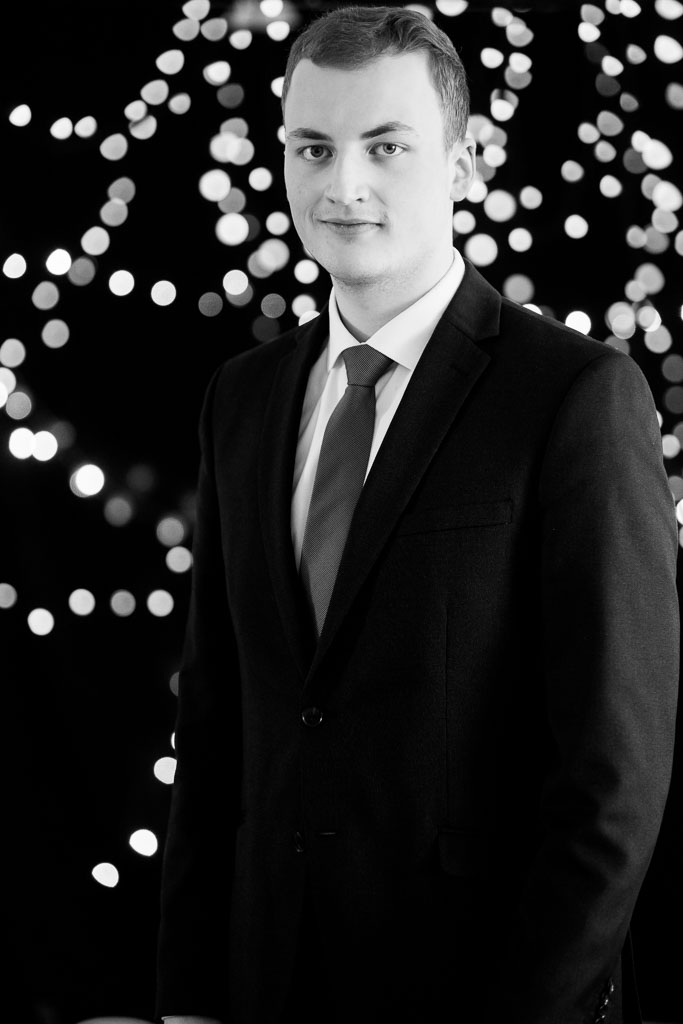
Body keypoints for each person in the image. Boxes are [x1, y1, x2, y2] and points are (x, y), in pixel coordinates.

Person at [155, 6, 679, 1023]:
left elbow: (612, 777)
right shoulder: (242, 397)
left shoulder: (572, 395)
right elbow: (217, 726)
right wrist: (188, 1000)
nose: (342, 185)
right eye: (313, 147)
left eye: (385, 146)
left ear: (463, 161)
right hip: (264, 982)